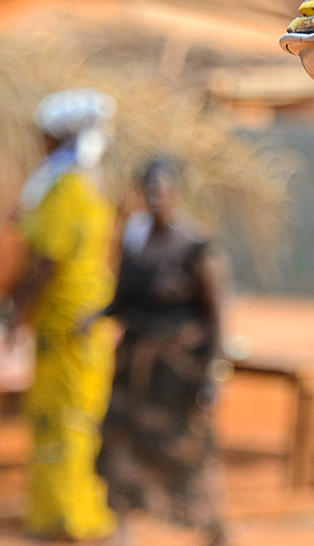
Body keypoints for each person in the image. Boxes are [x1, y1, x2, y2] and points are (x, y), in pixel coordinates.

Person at [79, 159, 229, 546]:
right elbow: (122, 300)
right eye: (149, 190)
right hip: (135, 367)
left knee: (187, 448)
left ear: (177, 193)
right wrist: (94, 316)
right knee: (121, 439)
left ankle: (211, 526)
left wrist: (211, 375)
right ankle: (120, 527)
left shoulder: (196, 248)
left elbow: (215, 316)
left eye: (163, 190)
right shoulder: (134, 242)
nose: (156, 197)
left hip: (178, 370)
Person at [9, 87, 118, 540]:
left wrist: (17, 315)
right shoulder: (76, 182)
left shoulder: (70, 187)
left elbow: (48, 262)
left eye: (46, 135)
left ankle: (73, 518)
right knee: (57, 415)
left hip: (72, 320)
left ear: (61, 136)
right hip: (67, 320)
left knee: (69, 418)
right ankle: (54, 513)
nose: (40, 142)